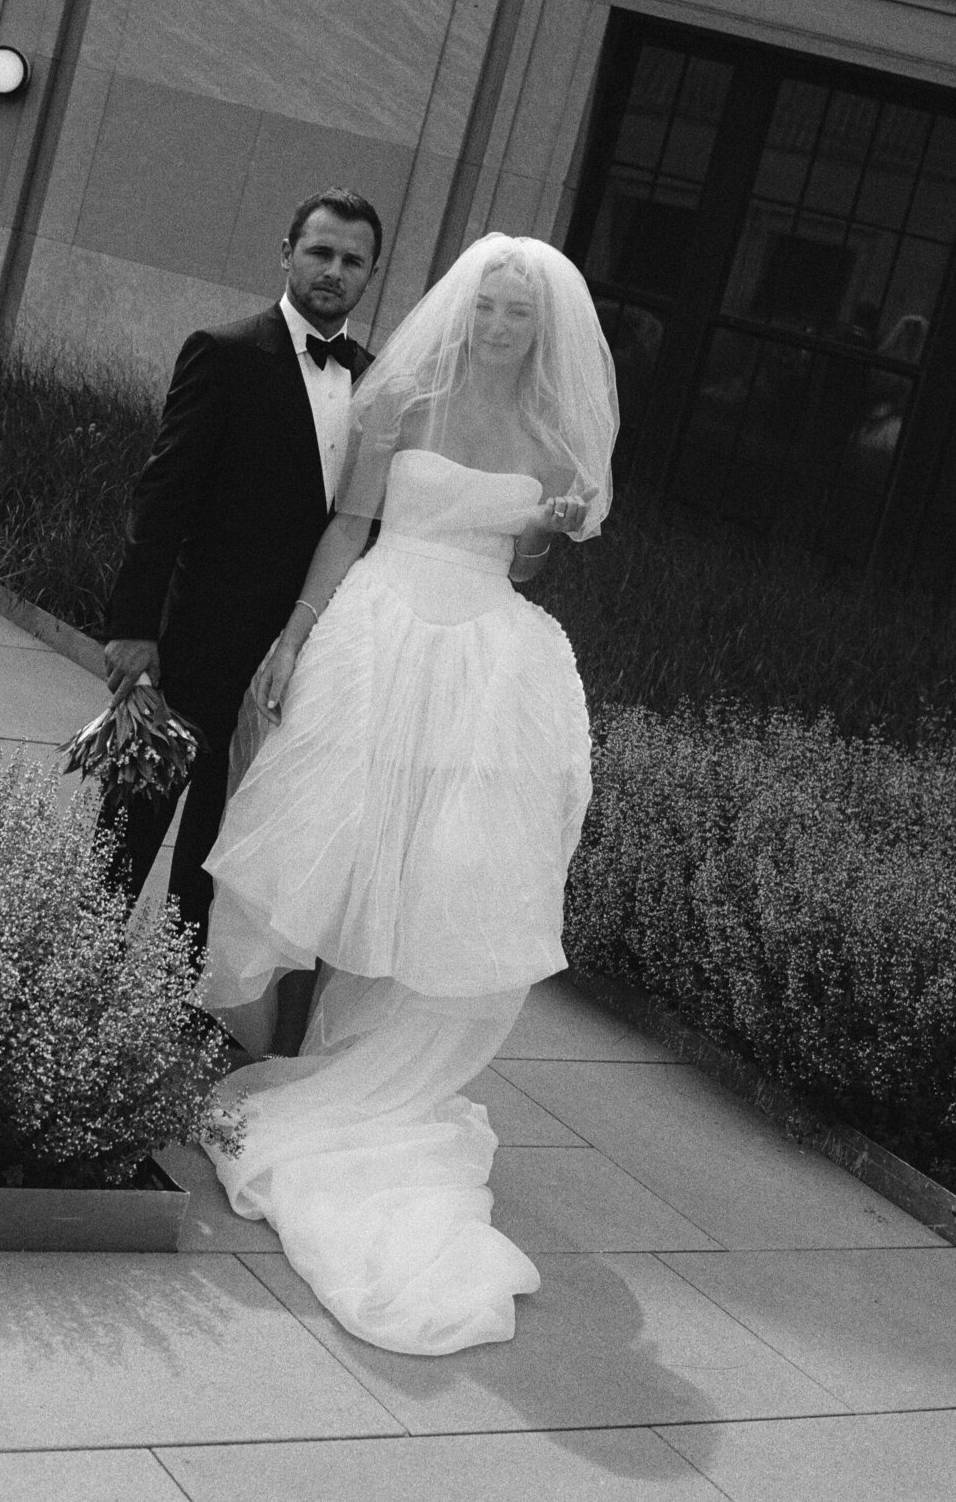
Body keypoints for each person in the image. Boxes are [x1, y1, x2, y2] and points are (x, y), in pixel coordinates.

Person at [198, 233, 619, 1355]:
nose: (498, 326)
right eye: (486, 307)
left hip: (480, 657)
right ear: (461, 310)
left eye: (518, 314)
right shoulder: (404, 398)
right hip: (379, 631)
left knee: (440, 862)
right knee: (320, 836)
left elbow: (524, 563)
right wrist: (295, 638)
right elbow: (350, 526)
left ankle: (363, 1060)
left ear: (543, 329)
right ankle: (271, 1038)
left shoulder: (554, 435)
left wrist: (544, 532)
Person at [101, 187, 382, 1050]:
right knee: (129, 832)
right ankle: (73, 980)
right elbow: (163, 494)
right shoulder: (223, 354)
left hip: (300, 656)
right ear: (286, 253)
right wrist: (134, 626)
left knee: (225, 846)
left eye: (352, 260)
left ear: (370, 274)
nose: (333, 271)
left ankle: (181, 1013)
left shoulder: (377, 382)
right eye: (320, 252)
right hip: (195, 643)